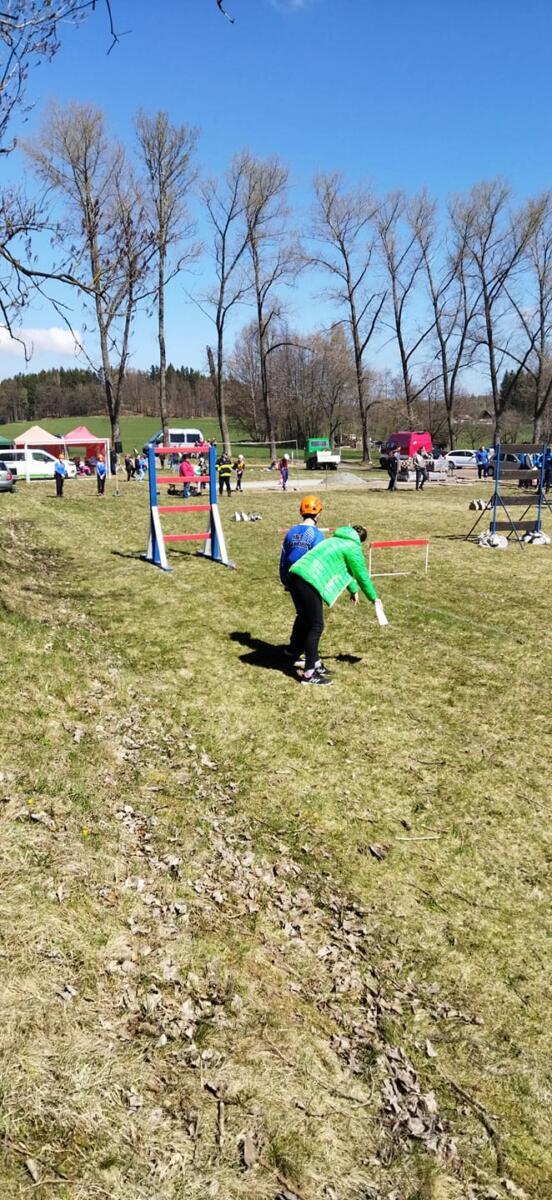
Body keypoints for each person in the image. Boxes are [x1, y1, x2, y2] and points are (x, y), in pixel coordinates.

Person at [287, 524, 387, 685]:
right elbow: (361, 575)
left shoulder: (335, 540)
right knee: (316, 626)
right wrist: (374, 598)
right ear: (360, 541)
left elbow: (343, 568)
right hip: (308, 581)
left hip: (295, 576)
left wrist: (353, 589)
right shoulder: (352, 547)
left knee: (308, 622)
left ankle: (315, 663)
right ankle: (309, 674)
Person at [280, 495, 326, 669]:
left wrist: (285, 579)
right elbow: (320, 561)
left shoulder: (291, 532)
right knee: (315, 623)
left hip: (291, 578)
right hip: (308, 581)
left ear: (301, 512)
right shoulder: (317, 535)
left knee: (302, 615)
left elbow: (284, 557)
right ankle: (311, 662)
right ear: (318, 514)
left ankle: (293, 649)